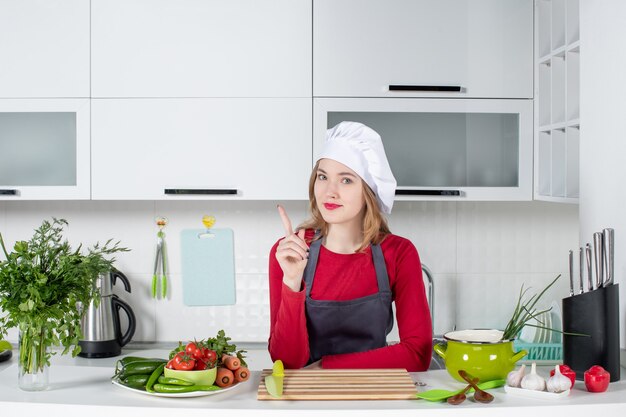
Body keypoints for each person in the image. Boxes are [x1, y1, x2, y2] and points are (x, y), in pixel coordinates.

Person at [268, 121, 432, 371]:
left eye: (346, 180)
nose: (329, 192)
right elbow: (287, 362)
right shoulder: (291, 251)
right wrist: (292, 281)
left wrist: (327, 367)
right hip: (307, 399)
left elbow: (418, 354)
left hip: (375, 394)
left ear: (368, 192)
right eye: (323, 177)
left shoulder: (398, 253)